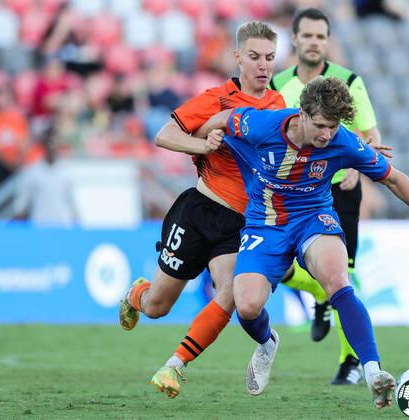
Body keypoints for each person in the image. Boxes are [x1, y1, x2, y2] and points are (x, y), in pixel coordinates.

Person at [200, 77, 409, 409]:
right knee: (246, 307)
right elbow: (218, 121)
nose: (326, 134)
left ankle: (374, 372)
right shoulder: (261, 123)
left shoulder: (343, 142)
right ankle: (267, 342)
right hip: (265, 223)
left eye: (332, 126)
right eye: (319, 125)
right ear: (301, 114)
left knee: (338, 281)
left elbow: (395, 179)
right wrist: (206, 139)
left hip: (314, 217)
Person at [118, 21, 285, 398]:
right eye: (255, 57)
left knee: (228, 290)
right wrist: (203, 146)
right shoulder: (216, 99)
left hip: (241, 223)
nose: (263, 66)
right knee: (157, 306)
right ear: (238, 57)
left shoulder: (280, 106)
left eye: (270, 58)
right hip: (199, 210)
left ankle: (175, 365)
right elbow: (164, 135)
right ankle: (135, 295)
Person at [269, 7, 381, 385]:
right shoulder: (279, 84)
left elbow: (370, 134)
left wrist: (354, 167)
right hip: (292, 192)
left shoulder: (349, 80)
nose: (315, 43)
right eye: (308, 36)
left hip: (340, 190)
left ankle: (351, 362)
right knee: (279, 268)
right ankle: (319, 294)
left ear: (327, 41)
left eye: (321, 36)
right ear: (295, 40)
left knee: (346, 274)